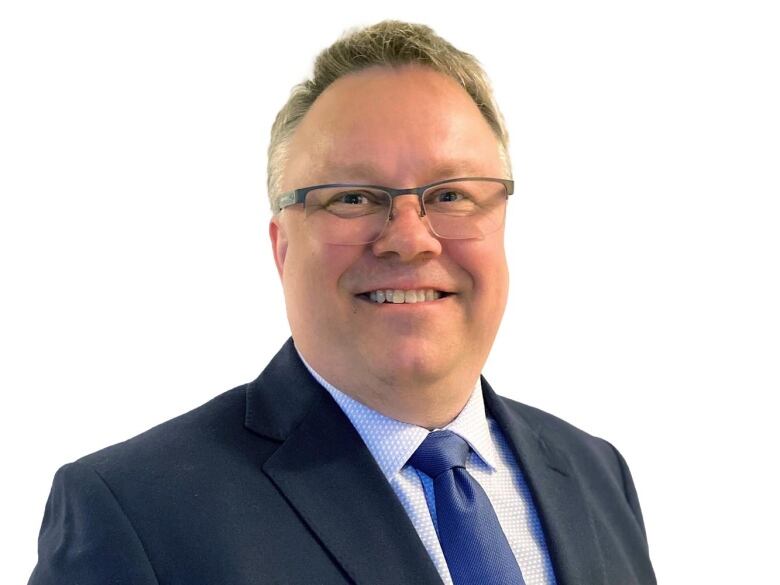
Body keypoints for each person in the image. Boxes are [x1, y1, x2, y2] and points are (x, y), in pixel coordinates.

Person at [29, 20, 656, 585]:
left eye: (452, 195)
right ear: (282, 248)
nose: (410, 239)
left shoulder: (596, 476)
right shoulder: (136, 512)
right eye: (352, 198)